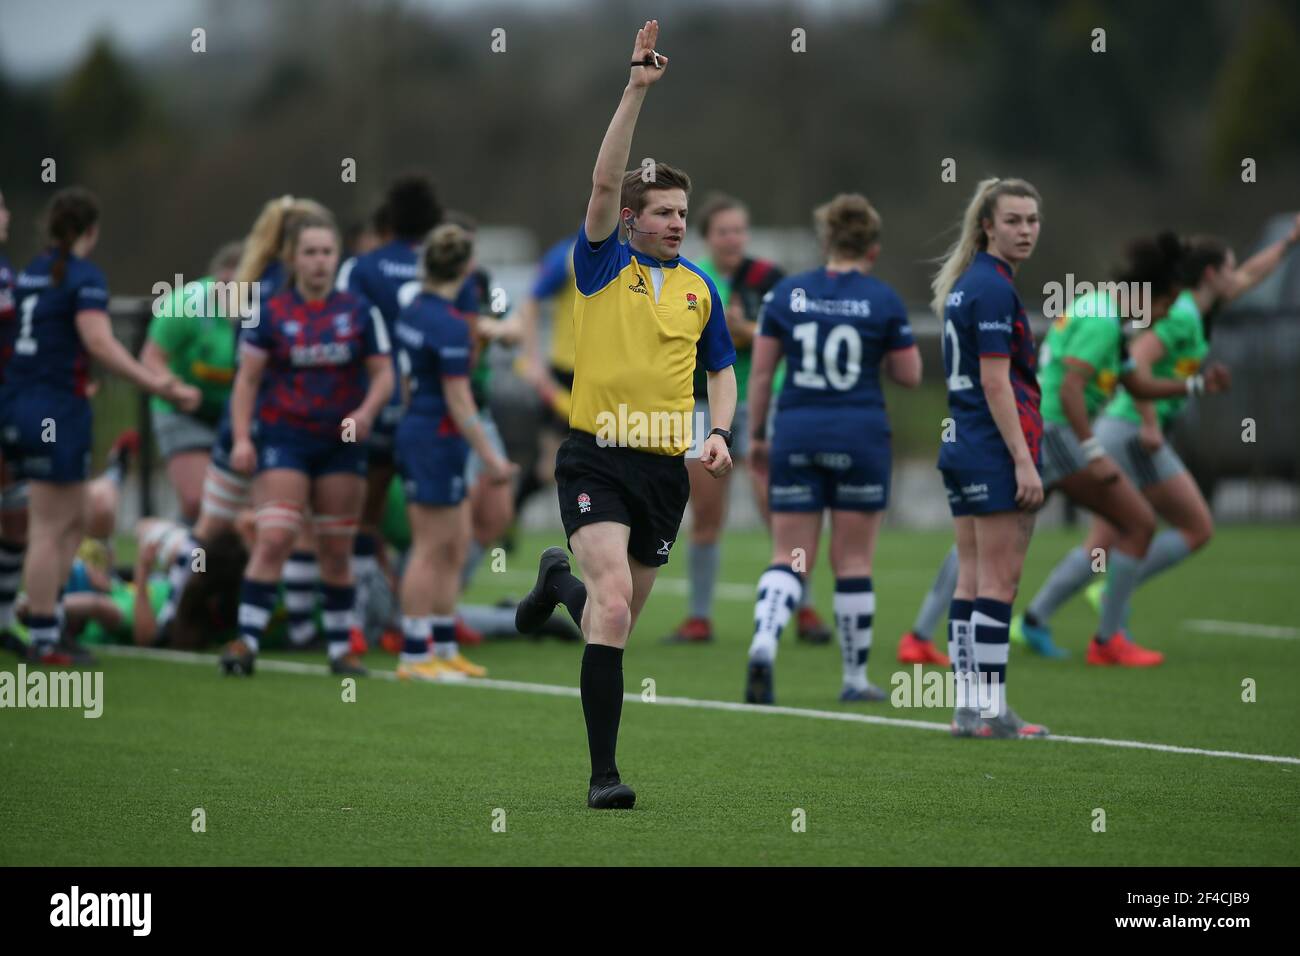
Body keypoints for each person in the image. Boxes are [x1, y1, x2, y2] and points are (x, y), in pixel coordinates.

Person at [514, 20, 737, 810]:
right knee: (612, 607)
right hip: (596, 456)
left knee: (610, 621)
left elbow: (722, 370)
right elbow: (604, 184)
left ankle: (555, 586)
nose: (677, 222)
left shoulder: (701, 287)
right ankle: (603, 777)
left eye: (683, 212)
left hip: (663, 471)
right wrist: (635, 89)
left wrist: (718, 432)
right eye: (665, 212)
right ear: (635, 218)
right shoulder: (603, 261)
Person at [1071, 216, 1300, 643]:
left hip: (1124, 427)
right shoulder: (1182, 315)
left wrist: (1287, 243)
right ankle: (1108, 609)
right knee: (1185, 527)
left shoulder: (1202, 307)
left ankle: (1035, 620)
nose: (1240, 275)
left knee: (1105, 539)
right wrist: (1152, 422)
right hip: (1131, 428)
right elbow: (1135, 361)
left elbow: (1252, 272)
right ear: (1211, 275)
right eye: (1231, 268)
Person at [0, 187, 199, 664]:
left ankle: (38, 624)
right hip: (54, 410)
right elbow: (101, 343)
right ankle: (45, 636)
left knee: (60, 522)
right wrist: (156, 384)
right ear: (92, 231)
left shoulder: (28, 271)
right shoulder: (83, 276)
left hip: (19, 404)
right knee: (53, 525)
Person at [1012, 232, 1227, 664]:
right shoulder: (1105, 317)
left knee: (1102, 535)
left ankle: (1040, 618)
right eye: (1165, 304)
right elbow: (1072, 389)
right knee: (1153, 527)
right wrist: (1094, 449)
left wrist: (1196, 384)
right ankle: (1105, 625)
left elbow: (1133, 378)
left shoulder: (1107, 313)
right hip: (1075, 434)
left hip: (1060, 432)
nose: (1166, 315)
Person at [743, 193, 921, 703]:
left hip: (797, 432)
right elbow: (910, 375)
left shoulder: (788, 294)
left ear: (824, 241)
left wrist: (756, 435)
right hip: (860, 436)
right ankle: (854, 678)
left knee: (790, 556)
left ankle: (762, 642)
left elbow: (761, 373)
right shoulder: (882, 299)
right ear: (873, 248)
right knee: (854, 561)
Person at [221, 209, 394, 677]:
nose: (320, 261)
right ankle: (246, 643)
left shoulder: (359, 312)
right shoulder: (270, 312)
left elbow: (384, 375)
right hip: (284, 438)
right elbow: (247, 381)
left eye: (327, 252)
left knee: (337, 550)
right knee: (275, 535)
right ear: (293, 258)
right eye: (310, 252)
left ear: (338, 257)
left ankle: (340, 649)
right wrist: (241, 438)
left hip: (341, 442)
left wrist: (364, 414)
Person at [660, 194, 832, 646]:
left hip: (761, 405)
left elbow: (798, 336)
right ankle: (699, 618)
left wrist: (747, 331)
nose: (733, 238)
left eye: (739, 230)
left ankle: (806, 606)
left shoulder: (769, 278)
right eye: (724, 231)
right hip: (702, 407)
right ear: (707, 237)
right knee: (706, 514)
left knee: (779, 510)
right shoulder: (688, 278)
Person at [158, 197, 328, 649]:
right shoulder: (279, 289)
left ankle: (170, 613)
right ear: (298, 244)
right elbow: (261, 370)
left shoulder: (254, 281)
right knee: (293, 525)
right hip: (272, 427)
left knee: (212, 526)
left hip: (246, 427)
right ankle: (298, 629)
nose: (322, 258)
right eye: (314, 247)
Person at [932, 176, 1048, 739]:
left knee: (972, 580)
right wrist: (1024, 461)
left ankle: (967, 709)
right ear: (987, 225)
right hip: (989, 447)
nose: (1025, 230)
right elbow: (996, 382)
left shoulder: (967, 283)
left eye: (1031, 220)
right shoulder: (994, 288)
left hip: (960, 443)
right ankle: (993, 711)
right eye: (1013, 221)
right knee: (999, 584)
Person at [392, 224, 516, 680]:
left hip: (428, 433)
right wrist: (494, 459)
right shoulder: (446, 324)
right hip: (434, 438)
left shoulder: (415, 308)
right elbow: (460, 401)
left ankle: (443, 647)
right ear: (465, 267)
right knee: (429, 547)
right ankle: (413, 654)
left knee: (456, 543)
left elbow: (406, 383)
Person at [140, 240, 243, 521]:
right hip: (184, 412)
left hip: (238, 416)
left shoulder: (264, 307)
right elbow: (152, 357)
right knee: (198, 501)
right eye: (224, 284)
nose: (229, 292)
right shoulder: (186, 303)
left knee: (244, 510)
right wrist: (175, 387)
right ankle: (176, 553)